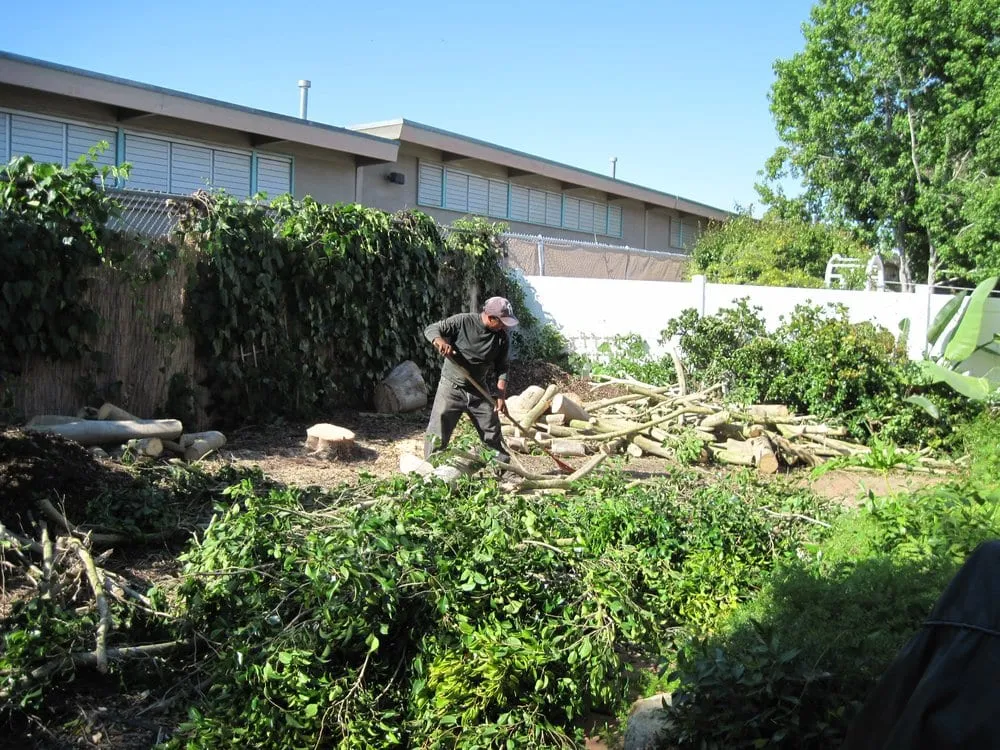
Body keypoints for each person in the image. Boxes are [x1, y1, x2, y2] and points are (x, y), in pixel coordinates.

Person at [423, 296, 519, 465]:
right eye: (502, 322)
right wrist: (440, 342)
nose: (505, 326)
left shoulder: (501, 338)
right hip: (451, 387)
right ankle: (431, 469)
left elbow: (502, 368)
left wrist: (501, 396)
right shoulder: (463, 321)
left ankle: (501, 467)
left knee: (491, 427)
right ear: (491, 317)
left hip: (478, 389)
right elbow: (432, 329)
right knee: (438, 430)